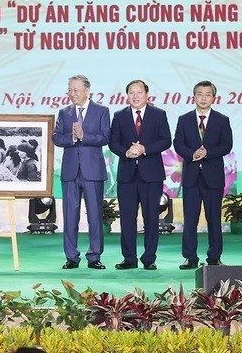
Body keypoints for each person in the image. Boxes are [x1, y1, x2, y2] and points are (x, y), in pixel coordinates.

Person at [109, 79, 172, 271]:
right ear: (127, 96)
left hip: (151, 175)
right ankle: (129, 258)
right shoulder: (119, 116)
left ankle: (149, 258)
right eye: (131, 93)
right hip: (127, 175)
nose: (135, 96)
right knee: (127, 219)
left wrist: (145, 149)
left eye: (139, 92)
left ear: (147, 94)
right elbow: (113, 142)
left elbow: (165, 140)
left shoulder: (158, 115)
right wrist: (126, 152)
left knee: (151, 218)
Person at [173, 80, 233, 269]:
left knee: (213, 218)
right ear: (194, 96)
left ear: (214, 98)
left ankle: (214, 257)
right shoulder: (184, 119)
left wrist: (207, 153)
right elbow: (178, 143)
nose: (204, 98)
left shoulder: (222, 120)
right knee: (190, 219)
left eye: (208, 94)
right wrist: (192, 154)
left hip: (213, 177)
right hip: (191, 176)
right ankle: (190, 257)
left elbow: (226, 145)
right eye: (200, 94)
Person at [53, 74, 111, 270]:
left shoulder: (102, 111)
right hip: (70, 171)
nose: (72, 94)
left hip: (92, 170)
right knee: (70, 216)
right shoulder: (64, 113)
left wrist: (84, 136)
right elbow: (56, 138)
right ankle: (71, 256)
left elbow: (105, 137)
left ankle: (94, 256)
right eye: (70, 90)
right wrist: (72, 137)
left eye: (76, 90)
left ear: (87, 91)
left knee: (95, 215)